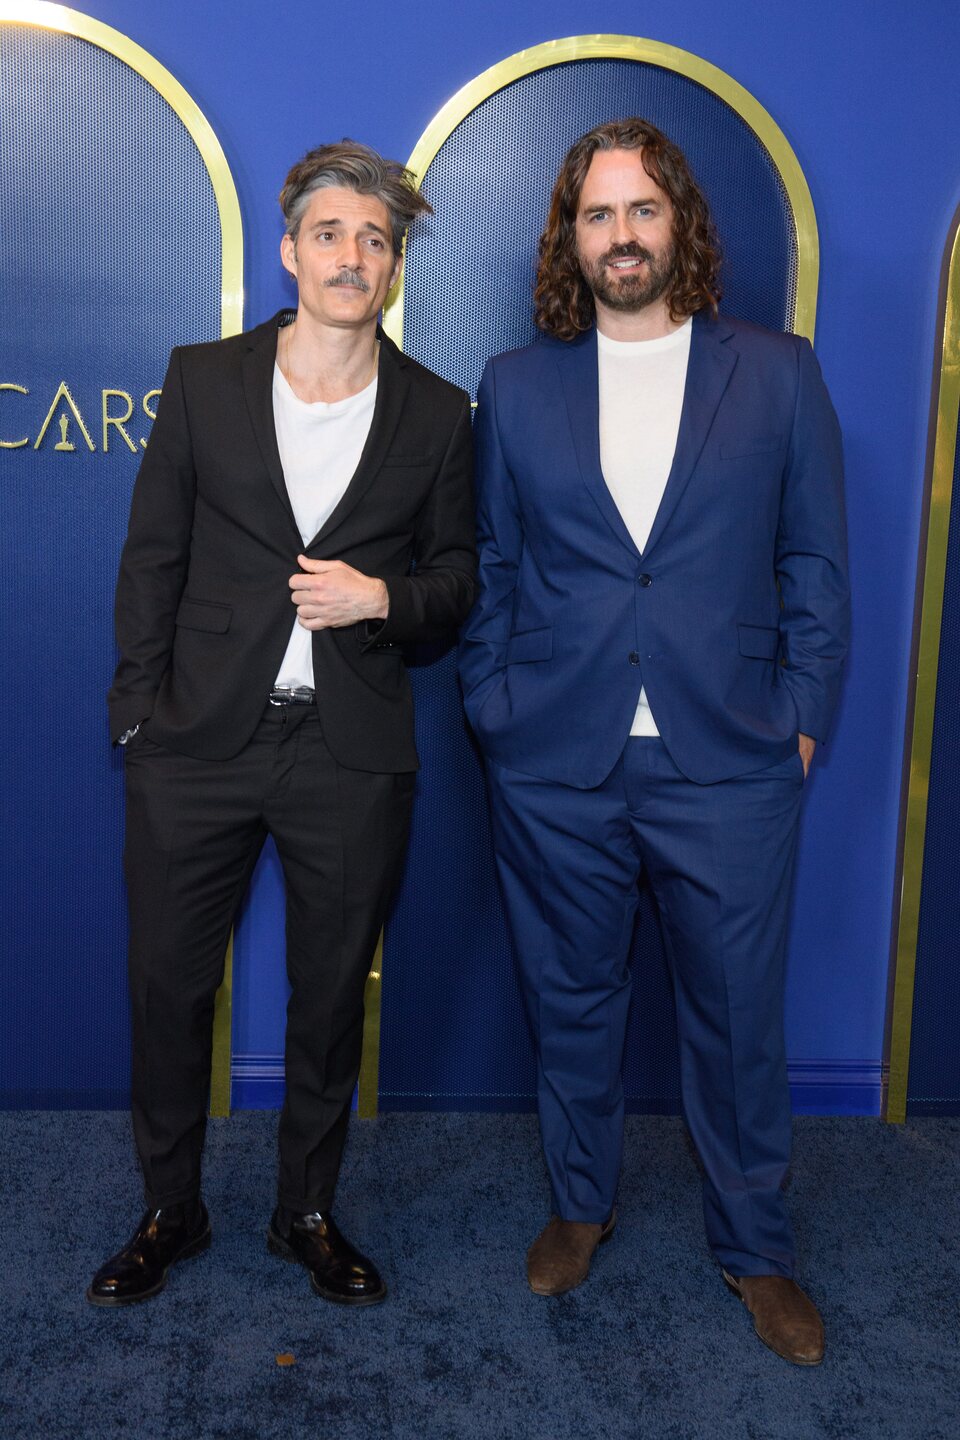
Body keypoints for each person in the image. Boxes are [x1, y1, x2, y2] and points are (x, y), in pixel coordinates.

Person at [458, 118, 848, 1364]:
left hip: (730, 758)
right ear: (569, 240)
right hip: (555, 759)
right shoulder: (517, 387)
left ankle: (757, 1247)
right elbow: (494, 565)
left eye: (641, 210)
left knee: (738, 1020)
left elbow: (815, 566)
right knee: (570, 1000)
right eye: (596, 215)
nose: (621, 235)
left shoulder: (777, 372)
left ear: (679, 220)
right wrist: (495, 707)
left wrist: (800, 720)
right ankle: (579, 1204)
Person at [89, 140, 476, 1309]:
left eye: (375, 239)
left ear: (397, 264)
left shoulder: (441, 411)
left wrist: (383, 600)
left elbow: (457, 580)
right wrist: (135, 721)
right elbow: (152, 557)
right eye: (331, 234)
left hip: (350, 752)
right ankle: (171, 1207)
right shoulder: (202, 378)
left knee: (326, 996)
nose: (352, 257)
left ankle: (305, 1210)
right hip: (196, 742)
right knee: (166, 985)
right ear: (290, 250)